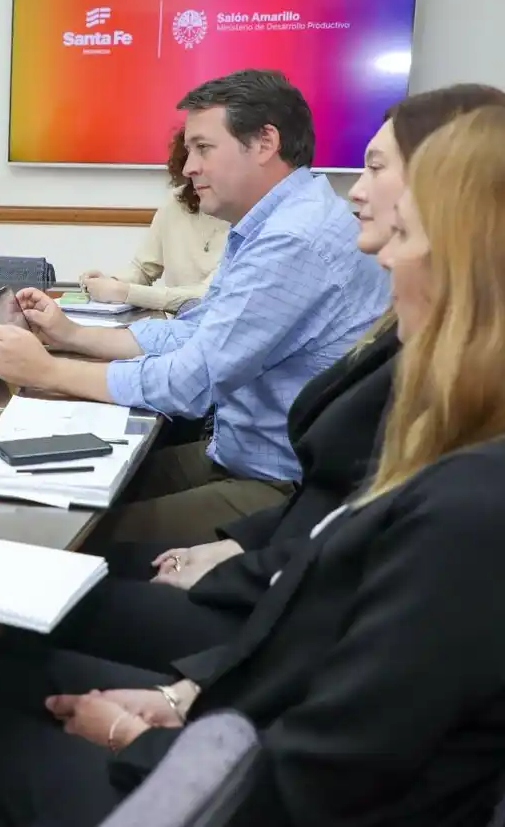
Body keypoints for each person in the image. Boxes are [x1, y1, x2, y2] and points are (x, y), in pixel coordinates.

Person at [0, 104, 505, 827]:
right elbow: (320, 625)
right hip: (235, 691)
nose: (374, 255)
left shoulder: (467, 508)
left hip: (221, 776)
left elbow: (324, 765)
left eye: (402, 231)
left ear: (465, 262)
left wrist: (151, 735)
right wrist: (183, 696)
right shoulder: (455, 457)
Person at [50, 83, 505, 673]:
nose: (355, 192)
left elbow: (355, 553)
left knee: (65, 557)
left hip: (277, 551)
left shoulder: (304, 241)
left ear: (446, 191)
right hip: (274, 529)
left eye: (373, 168)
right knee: (68, 518)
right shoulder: (413, 324)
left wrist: (190, 686)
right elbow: (344, 505)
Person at [0, 70, 389, 531]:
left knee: (60, 529)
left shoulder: (293, 240)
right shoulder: (272, 223)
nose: (188, 165)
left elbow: (191, 384)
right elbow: (195, 330)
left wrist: (49, 370)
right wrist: (72, 334)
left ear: (264, 143)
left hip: (279, 487)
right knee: (45, 495)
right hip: (238, 453)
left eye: (203, 148)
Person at [79, 129, 228, 313]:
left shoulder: (247, 214)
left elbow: (210, 294)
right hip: (175, 329)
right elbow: (143, 268)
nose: (193, 169)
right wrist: (110, 282)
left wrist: (125, 292)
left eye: (204, 151)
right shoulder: (176, 201)